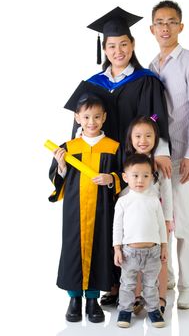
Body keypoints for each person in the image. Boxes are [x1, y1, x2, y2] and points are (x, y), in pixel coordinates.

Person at [64, 6, 172, 305]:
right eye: (111, 45)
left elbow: (157, 120)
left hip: (137, 165)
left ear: (133, 44)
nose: (118, 50)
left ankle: (147, 289)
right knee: (109, 222)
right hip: (105, 165)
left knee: (139, 221)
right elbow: (82, 126)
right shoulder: (94, 85)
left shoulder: (145, 80)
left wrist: (160, 153)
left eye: (124, 43)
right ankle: (113, 285)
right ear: (104, 48)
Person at [149, 0, 189, 309]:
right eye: (160, 22)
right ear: (152, 29)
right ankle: (166, 276)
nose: (165, 27)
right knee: (161, 220)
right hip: (156, 158)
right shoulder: (150, 66)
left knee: (183, 221)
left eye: (171, 21)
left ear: (180, 27)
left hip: (181, 155)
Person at [48, 92, 122, 323]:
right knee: (73, 251)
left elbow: (124, 176)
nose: (92, 122)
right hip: (74, 211)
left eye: (97, 117)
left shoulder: (113, 147)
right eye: (87, 117)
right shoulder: (68, 147)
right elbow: (58, 177)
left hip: (103, 211)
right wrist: (61, 165)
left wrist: (111, 178)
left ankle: (92, 299)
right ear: (77, 118)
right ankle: (74, 299)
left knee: (100, 249)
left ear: (104, 118)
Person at [122, 115, 173, 316]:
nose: (143, 140)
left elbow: (167, 194)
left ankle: (160, 298)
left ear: (155, 138)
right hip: (134, 222)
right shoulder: (127, 163)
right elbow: (124, 193)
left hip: (157, 221)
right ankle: (136, 298)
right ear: (131, 139)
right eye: (138, 136)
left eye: (148, 136)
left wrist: (168, 219)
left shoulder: (159, 165)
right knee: (133, 260)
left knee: (160, 259)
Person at [113, 153, 168, 328]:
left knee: (151, 284)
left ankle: (153, 310)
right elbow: (117, 228)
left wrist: (164, 247)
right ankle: (125, 310)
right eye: (135, 175)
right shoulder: (123, 201)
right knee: (128, 284)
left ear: (152, 177)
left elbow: (161, 226)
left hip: (153, 252)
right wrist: (117, 249)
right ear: (125, 177)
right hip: (129, 253)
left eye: (145, 175)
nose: (140, 180)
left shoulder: (154, 201)